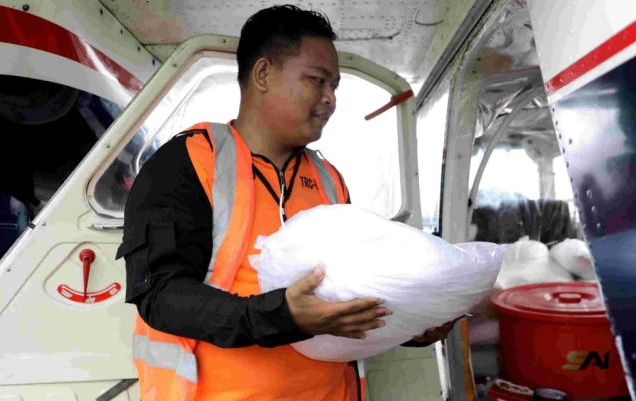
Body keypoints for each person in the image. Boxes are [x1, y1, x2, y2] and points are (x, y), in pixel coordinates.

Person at [116, 5, 457, 401]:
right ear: (263, 74)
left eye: (335, 87)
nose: (330, 99)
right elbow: (161, 295)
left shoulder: (331, 182)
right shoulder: (189, 163)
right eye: (318, 81)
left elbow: (349, 297)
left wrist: (412, 325)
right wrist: (285, 316)